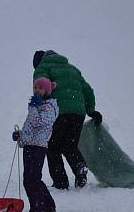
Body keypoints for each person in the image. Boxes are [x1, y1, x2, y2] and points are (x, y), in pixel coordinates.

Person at [32, 50, 102, 189]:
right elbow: (88, 90)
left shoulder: (42, 68)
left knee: (52, 148)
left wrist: (38, 111)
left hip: (57, 111)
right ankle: (79, 166)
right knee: (70, 145)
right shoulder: (73, 69)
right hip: (78, 112)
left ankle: (61, 182)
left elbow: (41, 89)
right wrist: (91, 110)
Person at [12, 78, 59, 212]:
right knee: (31, 178)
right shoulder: (36, 106)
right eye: (35, 87)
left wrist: (33, 107)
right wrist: (20, 136)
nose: (37, 90)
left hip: (38, 147)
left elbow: (39, 123)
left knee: (32, 179)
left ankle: (39, 207)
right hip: (30, 146)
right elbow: (31, 129)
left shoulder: (49, 107)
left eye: (40, 88)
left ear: (47, 91)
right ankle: (47, 206)